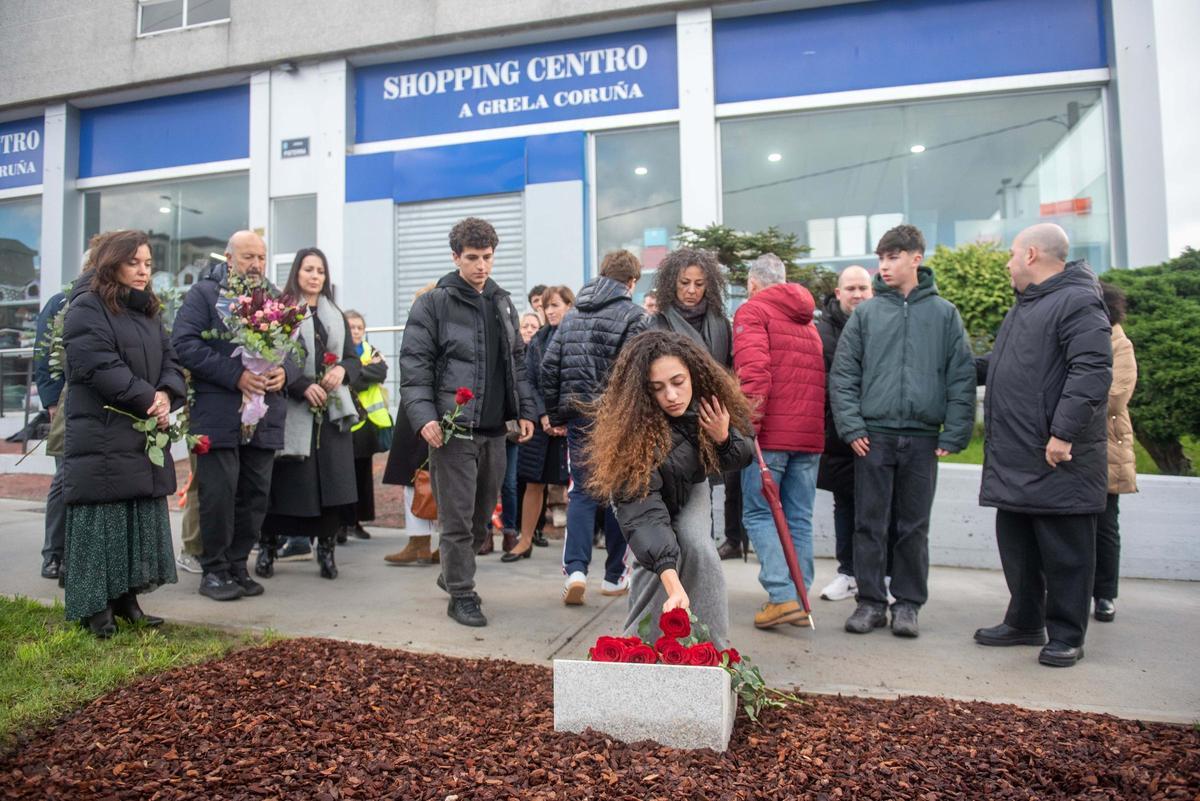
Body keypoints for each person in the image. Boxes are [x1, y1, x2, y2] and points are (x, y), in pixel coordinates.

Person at [973, 224, 1112, 668]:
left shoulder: (1078, 300)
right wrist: (959, 364)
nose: (1008, 263)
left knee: (1065, 548)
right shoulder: (1026, 307)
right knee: (1018, 543)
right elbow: (1011, 364)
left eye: (1012, 254)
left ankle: (1067, 633)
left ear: (1032, 254)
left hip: (1055, 456)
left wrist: (1064, 432)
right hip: (1016, 454)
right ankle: (1025, 620)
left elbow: (1091, 369)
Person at [830, 224, 975, 638]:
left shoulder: (945, 314)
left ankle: (908, 604)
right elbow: (843, 376)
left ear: (916, 258)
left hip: (924, 436)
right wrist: (852, 425)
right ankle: (871, 603)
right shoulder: (867, 314)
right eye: (881, 259)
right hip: (873, 436)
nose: (885, 266)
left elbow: (960, 376)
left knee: (914, 524)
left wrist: (954, 433)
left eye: (893, 257)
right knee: (869, 522)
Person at [400, 217, 536, 627]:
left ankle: (452, 573)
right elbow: (414, 365)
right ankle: (462, 594)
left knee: (480, 521)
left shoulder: (502, 302)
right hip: (453, 429)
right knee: (457, 519)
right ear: (455, 256)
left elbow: (517, 363)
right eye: (473, 258)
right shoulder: (433, 304)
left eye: (488, 257)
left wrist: (525, 411)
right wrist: (424, 416)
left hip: (495, 429)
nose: (481, 266)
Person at [587, 331, 754, 648]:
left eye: (678, 382)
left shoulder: (709, 400)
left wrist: (723, 438)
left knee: (698, 548)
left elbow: (743, 451)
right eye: (658, 388)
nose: (672, 395)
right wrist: (673, 582)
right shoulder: (630, 433)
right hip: (642, 500)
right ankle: (638, 648)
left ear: (693, 374)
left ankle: (713, 651)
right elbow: (644, 517)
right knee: (656, 565)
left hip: (690, 488)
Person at [61, 230, 187, 637]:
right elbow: (98, 365)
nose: (143, 271)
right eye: (134, 262)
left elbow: (171, 359)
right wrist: (149, 398)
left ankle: (127, 600)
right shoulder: (86, 307)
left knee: (134, 517)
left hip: (139, 429)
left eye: (148, 264)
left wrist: (168, 394)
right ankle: (95, 608)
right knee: (104, 521)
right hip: (102, 433)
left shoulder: (147, 309)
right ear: (111, 261)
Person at [173, 231, 289, 601]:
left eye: (261, 258)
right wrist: (235, 374)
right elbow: (184, 345)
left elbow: (295, 349)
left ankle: (238, 566)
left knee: (255, 494)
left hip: (262, 415)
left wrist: (285, 374)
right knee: (218, 495)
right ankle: (214, 571)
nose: (256, 265)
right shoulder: (204, 295)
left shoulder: (274, 298)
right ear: (229, 258)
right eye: (247, 257)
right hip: (218, 412)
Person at [541, 249, 648, 604]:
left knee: (583, 492)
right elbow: (639, 372)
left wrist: (557, 414)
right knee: (621, 493)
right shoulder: (635, 317)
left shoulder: (571, 318)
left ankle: (575, 570)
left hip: (580, 419)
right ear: (632, 282)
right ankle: (615, 576)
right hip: (619, 419)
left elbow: (548, 368)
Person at [732, 254, 826, 629]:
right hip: (808, 435)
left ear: (753, 283)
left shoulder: (752, 312)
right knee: (798, 516)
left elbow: (754, 373)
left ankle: (782, 595)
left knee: (757, 512)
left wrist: (748, 425)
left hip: (769, 433)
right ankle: (801, 598)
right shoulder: (807, 320)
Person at [257, 248, 360, 580]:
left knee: (329, 487)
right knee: (286, 486)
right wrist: (300, 384)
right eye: (308, 269)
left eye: (320, 271)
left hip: (330, 414)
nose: (315, 276)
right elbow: (270, 358)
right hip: (292, 409)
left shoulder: (336, 315)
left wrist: (343, 371)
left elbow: (353, 359)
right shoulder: (281, 312)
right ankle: (268, 550)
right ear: (296, 273)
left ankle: (327, 553)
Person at [650, 247, 747, 561]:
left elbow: (730, 374)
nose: (691, 290)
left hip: (710, 423)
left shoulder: (720, 323)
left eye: (699, 283)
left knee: (704, 506)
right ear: (671, 284)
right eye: (684, 283)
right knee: (675, 510)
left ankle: (703, 571)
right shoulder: (659, 323)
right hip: (672, 428)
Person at [815, 265, 883, 602]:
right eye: (850, 288)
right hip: (838, 434)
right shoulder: (821, 330)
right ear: (838, 293)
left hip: (877, 431)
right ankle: (848, 572)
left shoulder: (881, 322)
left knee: (880, 507)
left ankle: (881, 575)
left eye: (863, 288)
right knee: (844, 505)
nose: (857, 294)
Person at [506, 285, 574, 561]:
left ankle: (578, 551)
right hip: (543, 425)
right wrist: (545, 415)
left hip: (572, 424)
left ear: (569, 305)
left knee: (580, 489)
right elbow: (530, 382)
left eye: (555, 305)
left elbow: (579, 380)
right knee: (533, 482)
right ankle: (525, 540)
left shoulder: (578, 337)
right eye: (546, 306)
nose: (550, 311)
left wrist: (564, 418)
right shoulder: (539, 340)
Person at [382, 284, 441, 566]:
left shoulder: (444, 333)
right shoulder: (418, 332)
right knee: (411, 475)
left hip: (433, 409)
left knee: (438, 478)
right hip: (414, 410)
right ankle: (418, 542)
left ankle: (441, 543)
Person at [1095, 282, 1138, 622]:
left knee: (1106, 524)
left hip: (1108, 444)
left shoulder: (1118, 343)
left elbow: (1116, 396)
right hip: (1074, 445)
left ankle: (1105, 593)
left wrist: (1073, 395)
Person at [341, 309, 393, 542]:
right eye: (351, 327)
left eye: (359, 328)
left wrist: (358, 373)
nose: (356, 331)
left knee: (363, 474)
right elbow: (352, 378)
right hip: (346, 421)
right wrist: (363, 372)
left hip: (367, 424)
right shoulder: (341, 351)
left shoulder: (372, 351)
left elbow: (380, 372)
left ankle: (357, 521)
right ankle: (342, 523)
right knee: (344, 474)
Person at [33, 283, 70, 581]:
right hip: (65, 404)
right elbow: (43, 354)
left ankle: (73, 554)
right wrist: (52, 401)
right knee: (64, 477)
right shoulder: (61, 302)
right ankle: (53, 553)